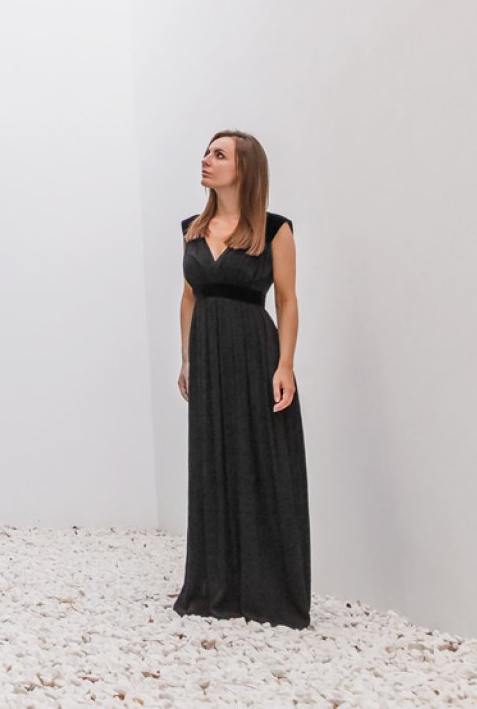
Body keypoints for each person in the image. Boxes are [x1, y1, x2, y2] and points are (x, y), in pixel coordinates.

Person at [173, 129, 311, 627]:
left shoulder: (274, 230)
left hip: (255, 353)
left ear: (244, 168)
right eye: (207, 152)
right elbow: (189, 297)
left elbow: (287, 300)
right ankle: (216, 586)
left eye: (219, 154)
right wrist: (186, 359)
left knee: (261, 461)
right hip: (207, 355)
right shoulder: (192, 228)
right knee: (213, 460)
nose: (206, 160)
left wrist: (285, 364)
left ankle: (267, 589)